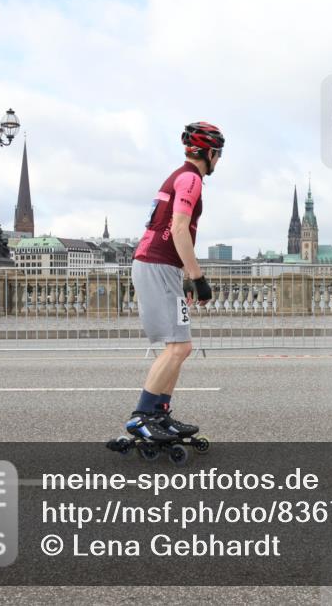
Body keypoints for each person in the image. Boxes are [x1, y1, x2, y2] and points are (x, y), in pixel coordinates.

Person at [123, 122, 222, 445]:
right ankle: (142, 416)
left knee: (180, 346)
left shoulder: (181, 176)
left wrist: (186, 275)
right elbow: (179, 229)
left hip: (161, 265)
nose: (218, 161)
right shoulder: (191, 179)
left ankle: (159, 413)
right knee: (178, 346)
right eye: (218, 154)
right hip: (157, 264)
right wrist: (198, 277)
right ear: (209, 153)